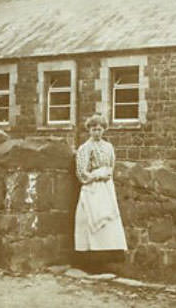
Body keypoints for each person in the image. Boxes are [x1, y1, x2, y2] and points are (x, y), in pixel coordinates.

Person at [73, 113, 127, 270]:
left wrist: (107, 174)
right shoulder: (85, 148)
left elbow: (111, 166)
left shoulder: (108, 147)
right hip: (91, 188)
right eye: (94, 129)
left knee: (108, 223)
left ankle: (107, 261)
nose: (97, 132)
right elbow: (82, 172)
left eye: (100, 129)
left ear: (104, 130)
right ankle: (90, 262)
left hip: (106, 188)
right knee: (90, 220)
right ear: (89, 130)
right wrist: (97, 175)